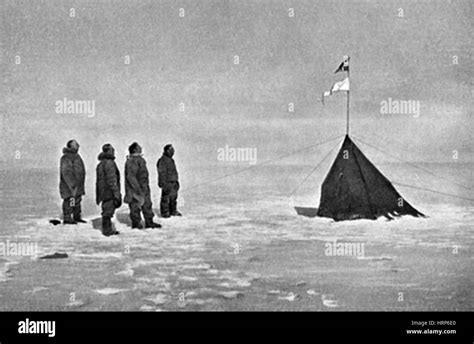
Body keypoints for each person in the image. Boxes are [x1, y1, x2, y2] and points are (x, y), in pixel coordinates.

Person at [124, 142, 161, 229]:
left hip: (144, 188)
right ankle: (136, 224)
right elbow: (131, 177)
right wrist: (138, 190)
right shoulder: (132, 161)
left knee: (147, 204)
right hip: (135, 189)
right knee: (135, 206)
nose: (141, 148)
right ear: (135, 149)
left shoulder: (140, 160)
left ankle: (149, 222)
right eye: (139, 147)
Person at [96, 144, 121, 236]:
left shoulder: (101, 163)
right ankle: (107, 230)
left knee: (107, 210)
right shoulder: (109, 163)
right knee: (108, 211)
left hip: (104, 192)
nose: (113, 151)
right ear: (107, 151)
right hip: (109, 192)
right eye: (112, 150)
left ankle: (107, 229)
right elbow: (112, 180)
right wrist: (116, 193)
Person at [59, 139, 86, 224]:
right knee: (71, 200)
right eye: (76, 144)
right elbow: (66, 172)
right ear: (71, 146)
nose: (78, 146)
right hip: (70, 186)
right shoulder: (66, 157)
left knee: (76, 200)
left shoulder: (76, 156)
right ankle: (68, 217)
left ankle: (76, 216)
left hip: (77, 186)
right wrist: (72, 184)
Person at [157, 144, 182, 218]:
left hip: (173, 182)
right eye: (171, 150)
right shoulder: (163, 160)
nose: (172, 152)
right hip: (167, 183)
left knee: (173, 198)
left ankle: (173, 210)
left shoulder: (171, 160)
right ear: (167, 150)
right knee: (165, 198)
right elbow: (161, 173)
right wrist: (162, 183)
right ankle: (165, 213)